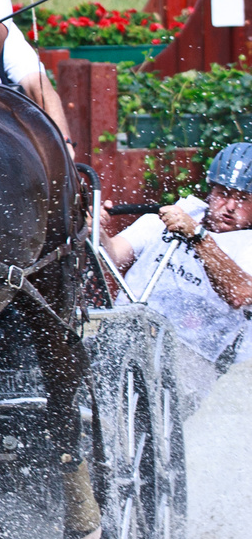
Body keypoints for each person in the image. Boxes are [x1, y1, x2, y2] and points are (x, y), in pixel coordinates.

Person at [97, 144, 252, 410]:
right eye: (223, 193)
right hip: (127, 332)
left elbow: (239, 293)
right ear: (210, 190)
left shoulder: (244, 243)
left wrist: (198, 237)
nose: (229, 206)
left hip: (192, 359)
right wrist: (95, 231)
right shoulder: (172, 215)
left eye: (243, 198)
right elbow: (111, 256)